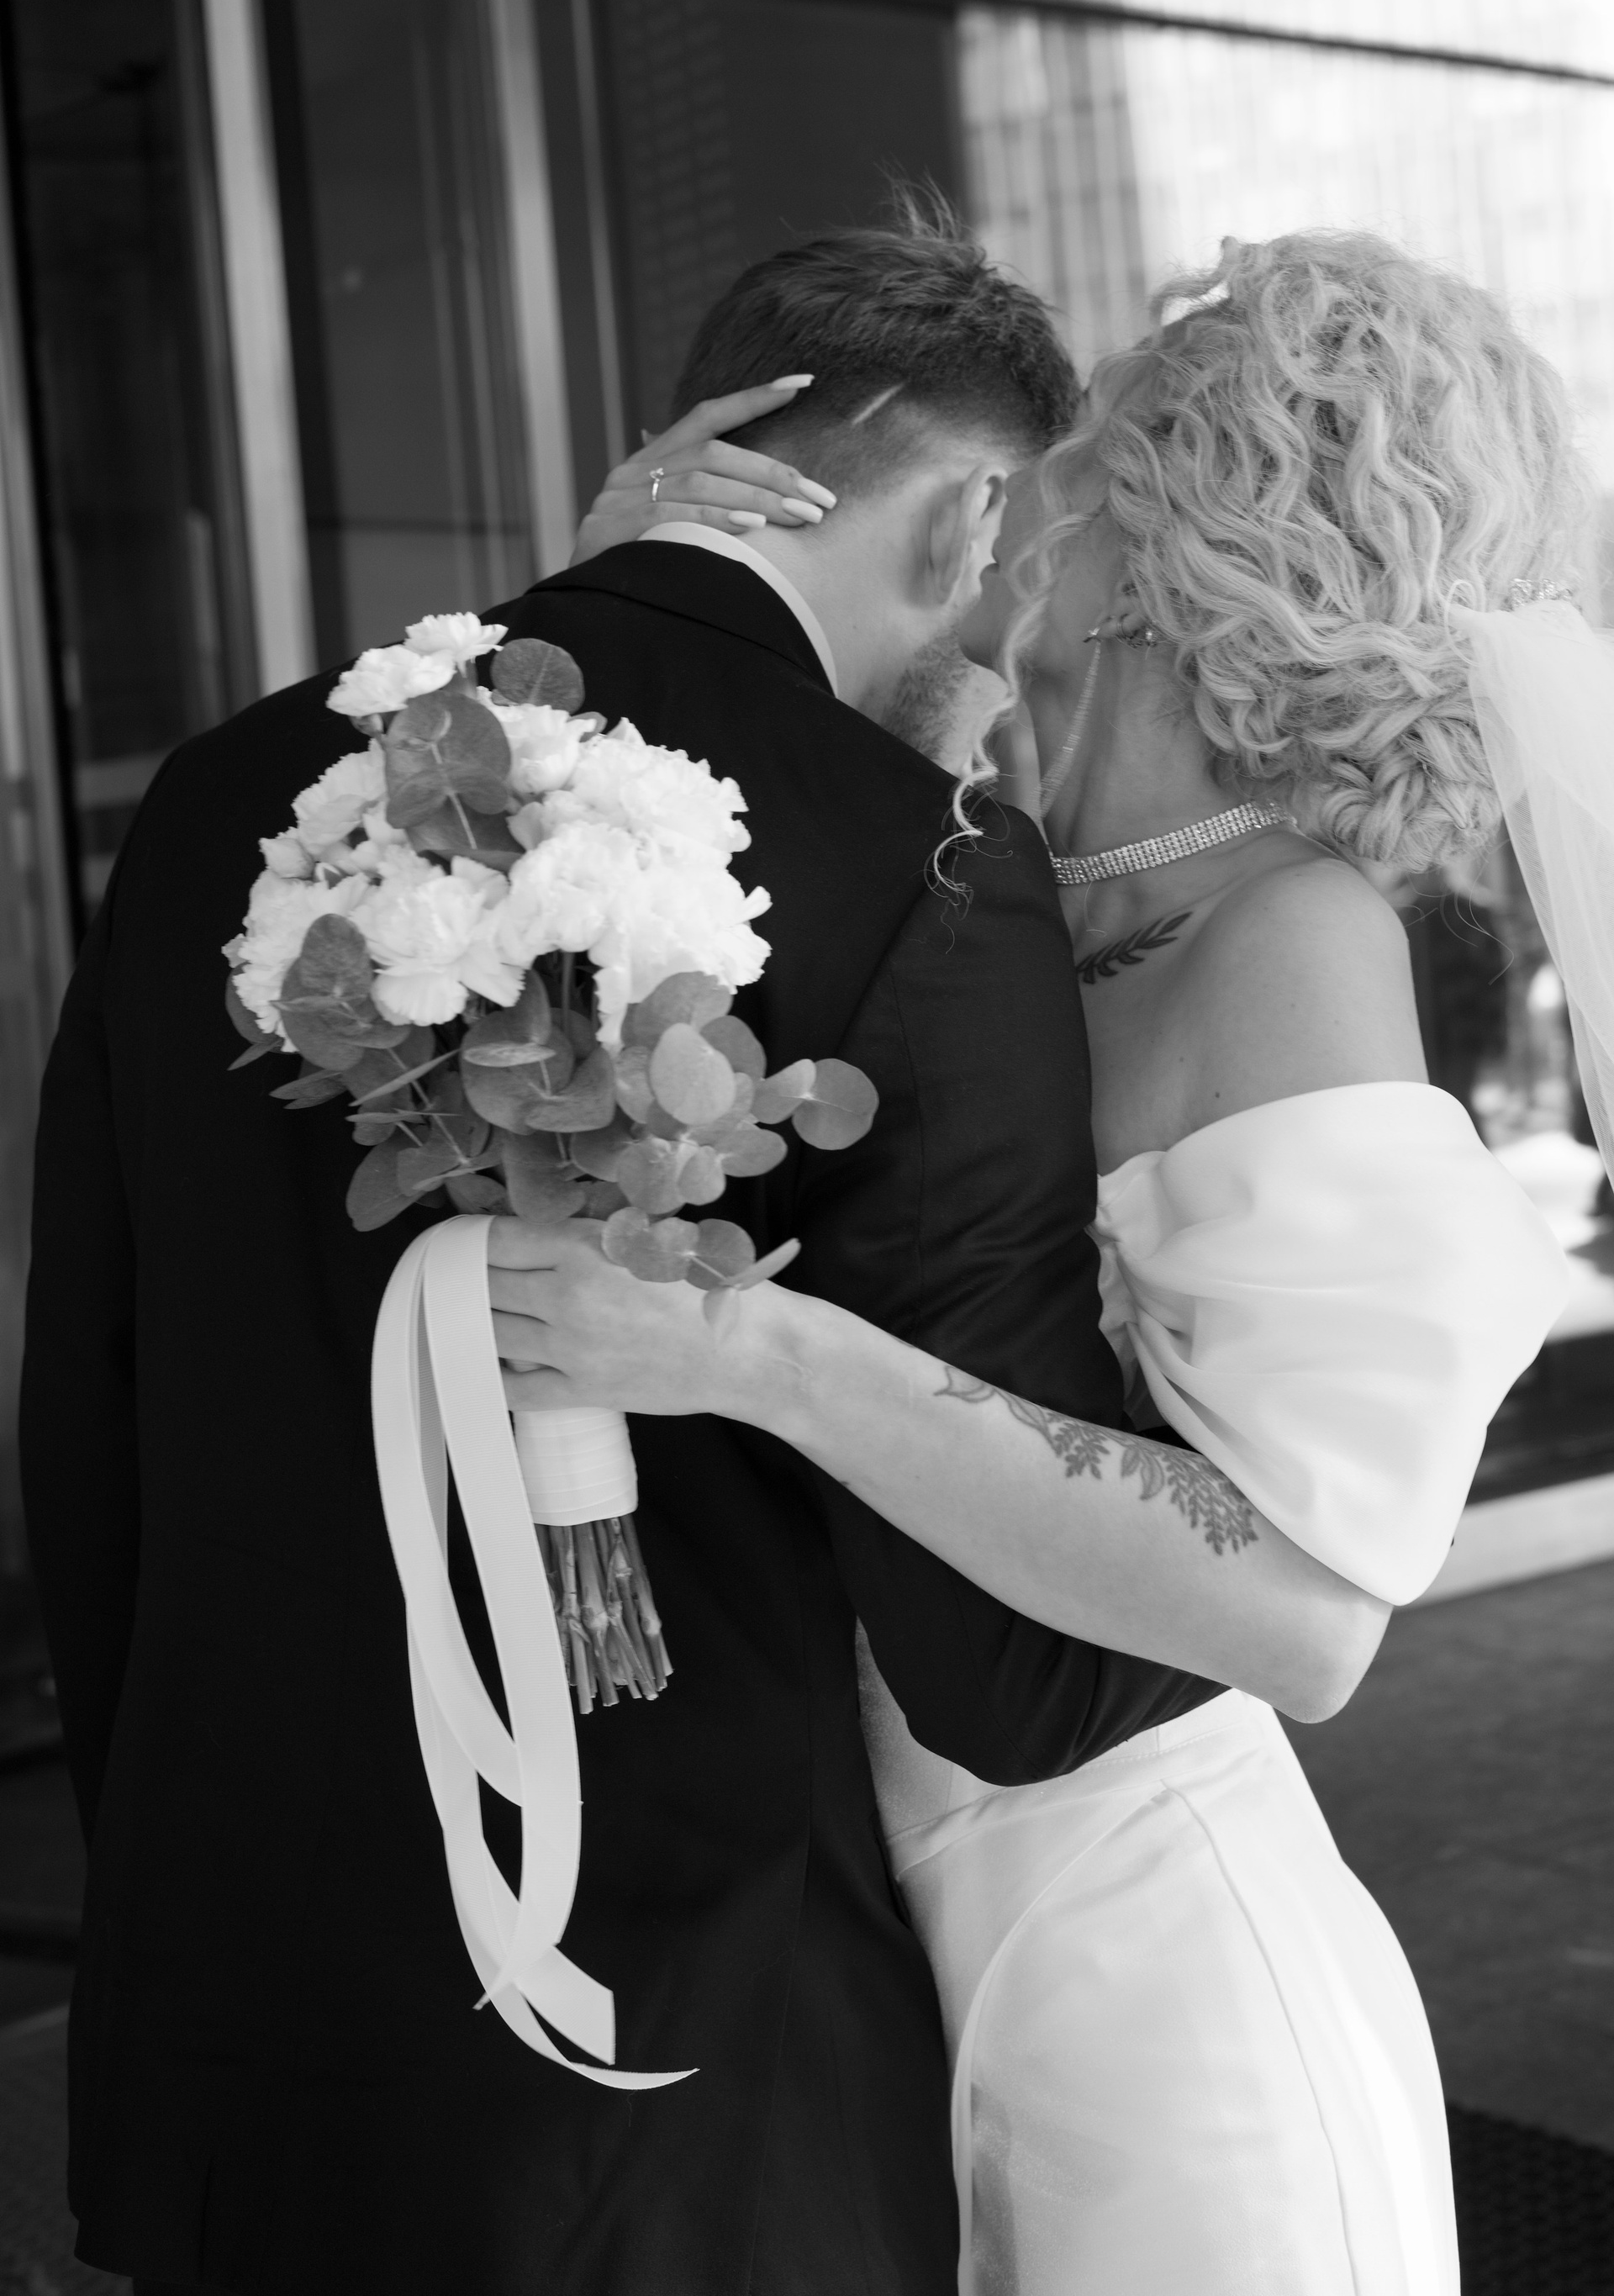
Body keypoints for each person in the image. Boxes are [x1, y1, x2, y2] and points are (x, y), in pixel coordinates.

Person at [19, 214, 1256, 2296]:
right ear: (969, 521)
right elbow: (1009, 1663)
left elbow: (98, 1406)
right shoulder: (920, 867)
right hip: (670, 2056)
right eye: (1029, 554)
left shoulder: (230, 790)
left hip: (240, 1997)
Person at [487, 233, 1580, 2294]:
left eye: (1078, 475)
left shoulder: (1295, 935)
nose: (1016, 518)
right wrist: (644, 575)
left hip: (1159, 1997)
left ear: (1174, 544)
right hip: (894, 1941)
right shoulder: (1019, 851)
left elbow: (1305, 1616)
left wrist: (758, 1356)